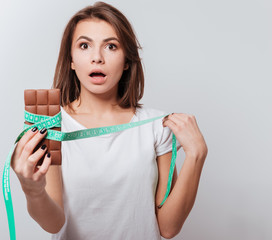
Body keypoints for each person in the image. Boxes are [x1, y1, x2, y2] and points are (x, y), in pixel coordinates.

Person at [11, 2, 208, 239]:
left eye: (111, 46)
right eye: (84, 46)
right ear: (71, 60)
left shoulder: (157, 125)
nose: (97, 58)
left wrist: (196, 156)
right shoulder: (50, 123)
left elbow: (168, 227)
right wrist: (33, 191)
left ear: (127, 60)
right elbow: (54, 224)